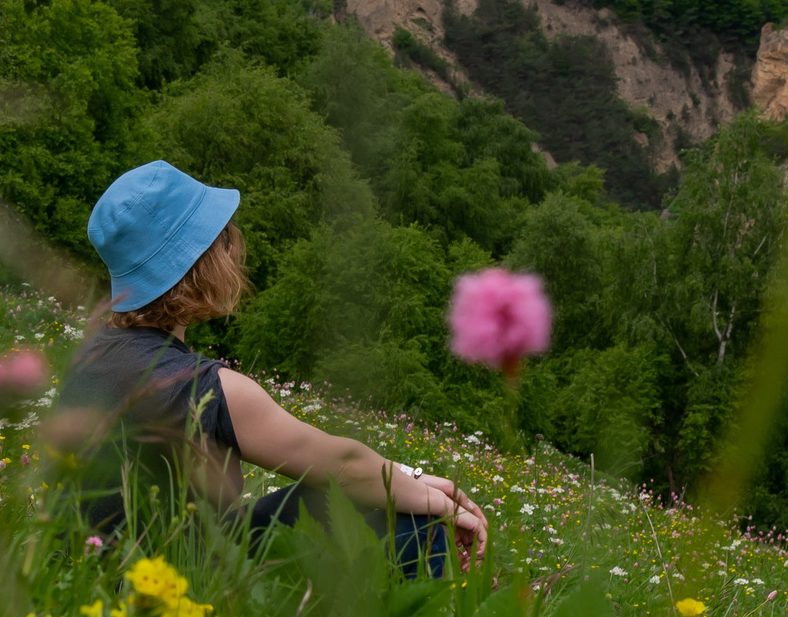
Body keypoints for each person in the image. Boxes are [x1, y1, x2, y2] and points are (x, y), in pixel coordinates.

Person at [54, 159, 488, 576]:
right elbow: (342, 463)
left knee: (343, 498)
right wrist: (441, 504)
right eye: (223, 238)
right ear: (199, 261)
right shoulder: (203, 387)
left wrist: (414, 479)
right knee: (416, 523)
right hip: (166, 591)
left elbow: (342, 467)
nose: (234, 246)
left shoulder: (93, 358)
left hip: (98, 576)